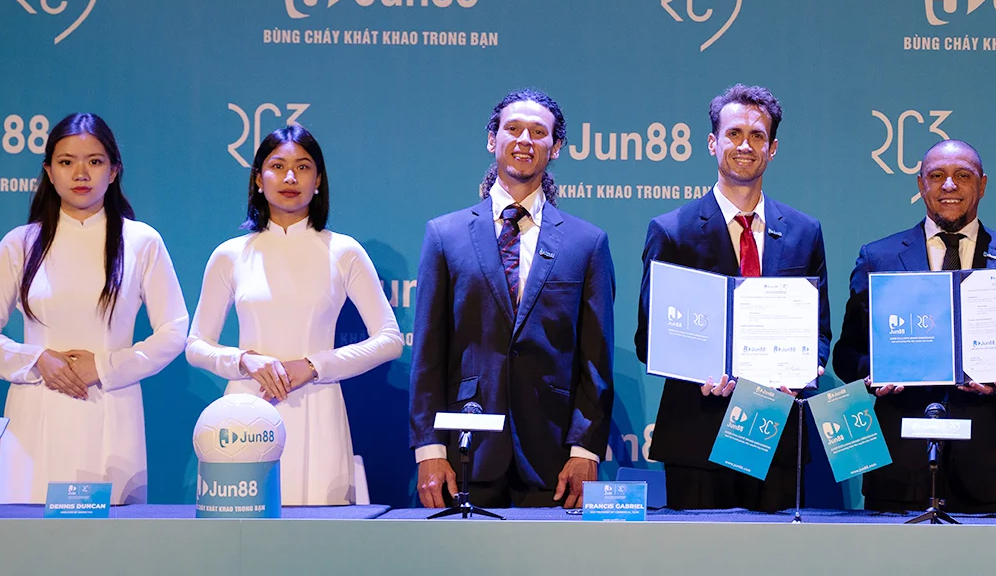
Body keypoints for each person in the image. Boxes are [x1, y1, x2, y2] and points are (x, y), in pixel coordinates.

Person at [831, 139, 996, 514]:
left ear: (982, 185)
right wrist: (874, 375)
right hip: (901, 463)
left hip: (993, 464)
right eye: (937, 175)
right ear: (920, 184)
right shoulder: (878, 258)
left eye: (963, 176)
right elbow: (846, 354)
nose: (949, 186)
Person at [0, 113, 188, 504]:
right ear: (49, 172)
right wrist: (37, 360)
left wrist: (104, 366)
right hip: (36, 412)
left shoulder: (141, 241)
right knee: (28, 532)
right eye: (66, 162)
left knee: (110, 535)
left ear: (114, 171)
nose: (80, 173)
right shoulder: (21, 244)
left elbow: (174, 331)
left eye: (94, 161)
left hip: (112, 410)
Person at [410, 88, 614, 509]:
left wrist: (585, 449)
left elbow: (596, 358)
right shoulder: (444, 236)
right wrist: (429, 448)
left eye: (538, 132)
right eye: (513, 129)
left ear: (556, 147)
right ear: (492, 139)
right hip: (464, 452)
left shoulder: (587, 242)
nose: (525, 140)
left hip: (553, 458)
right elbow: (427, 353)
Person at [186, 125, 404, 506]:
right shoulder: (230, 255)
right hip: (246, 414)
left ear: (318, 181)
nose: (290, 177)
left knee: (320, 532)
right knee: (246, 532)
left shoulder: (343, 251)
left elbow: (390, 340)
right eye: (277, 166)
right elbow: (196, 346)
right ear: (258, 179)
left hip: (319, 408)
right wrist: (244, 361)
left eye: (303, 167)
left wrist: (314, 366)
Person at [636, 84, 829, 511]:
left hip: (774, 431)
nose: (745, 145)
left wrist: (803, 369)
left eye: (757, 136)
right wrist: (695, 370)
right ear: (712, 143)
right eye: (734, 134)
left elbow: (819, 331)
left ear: (772, 149)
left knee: (777, 550)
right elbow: (649, 338)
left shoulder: (804, 232)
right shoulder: (672, 231)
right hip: (696, 435)